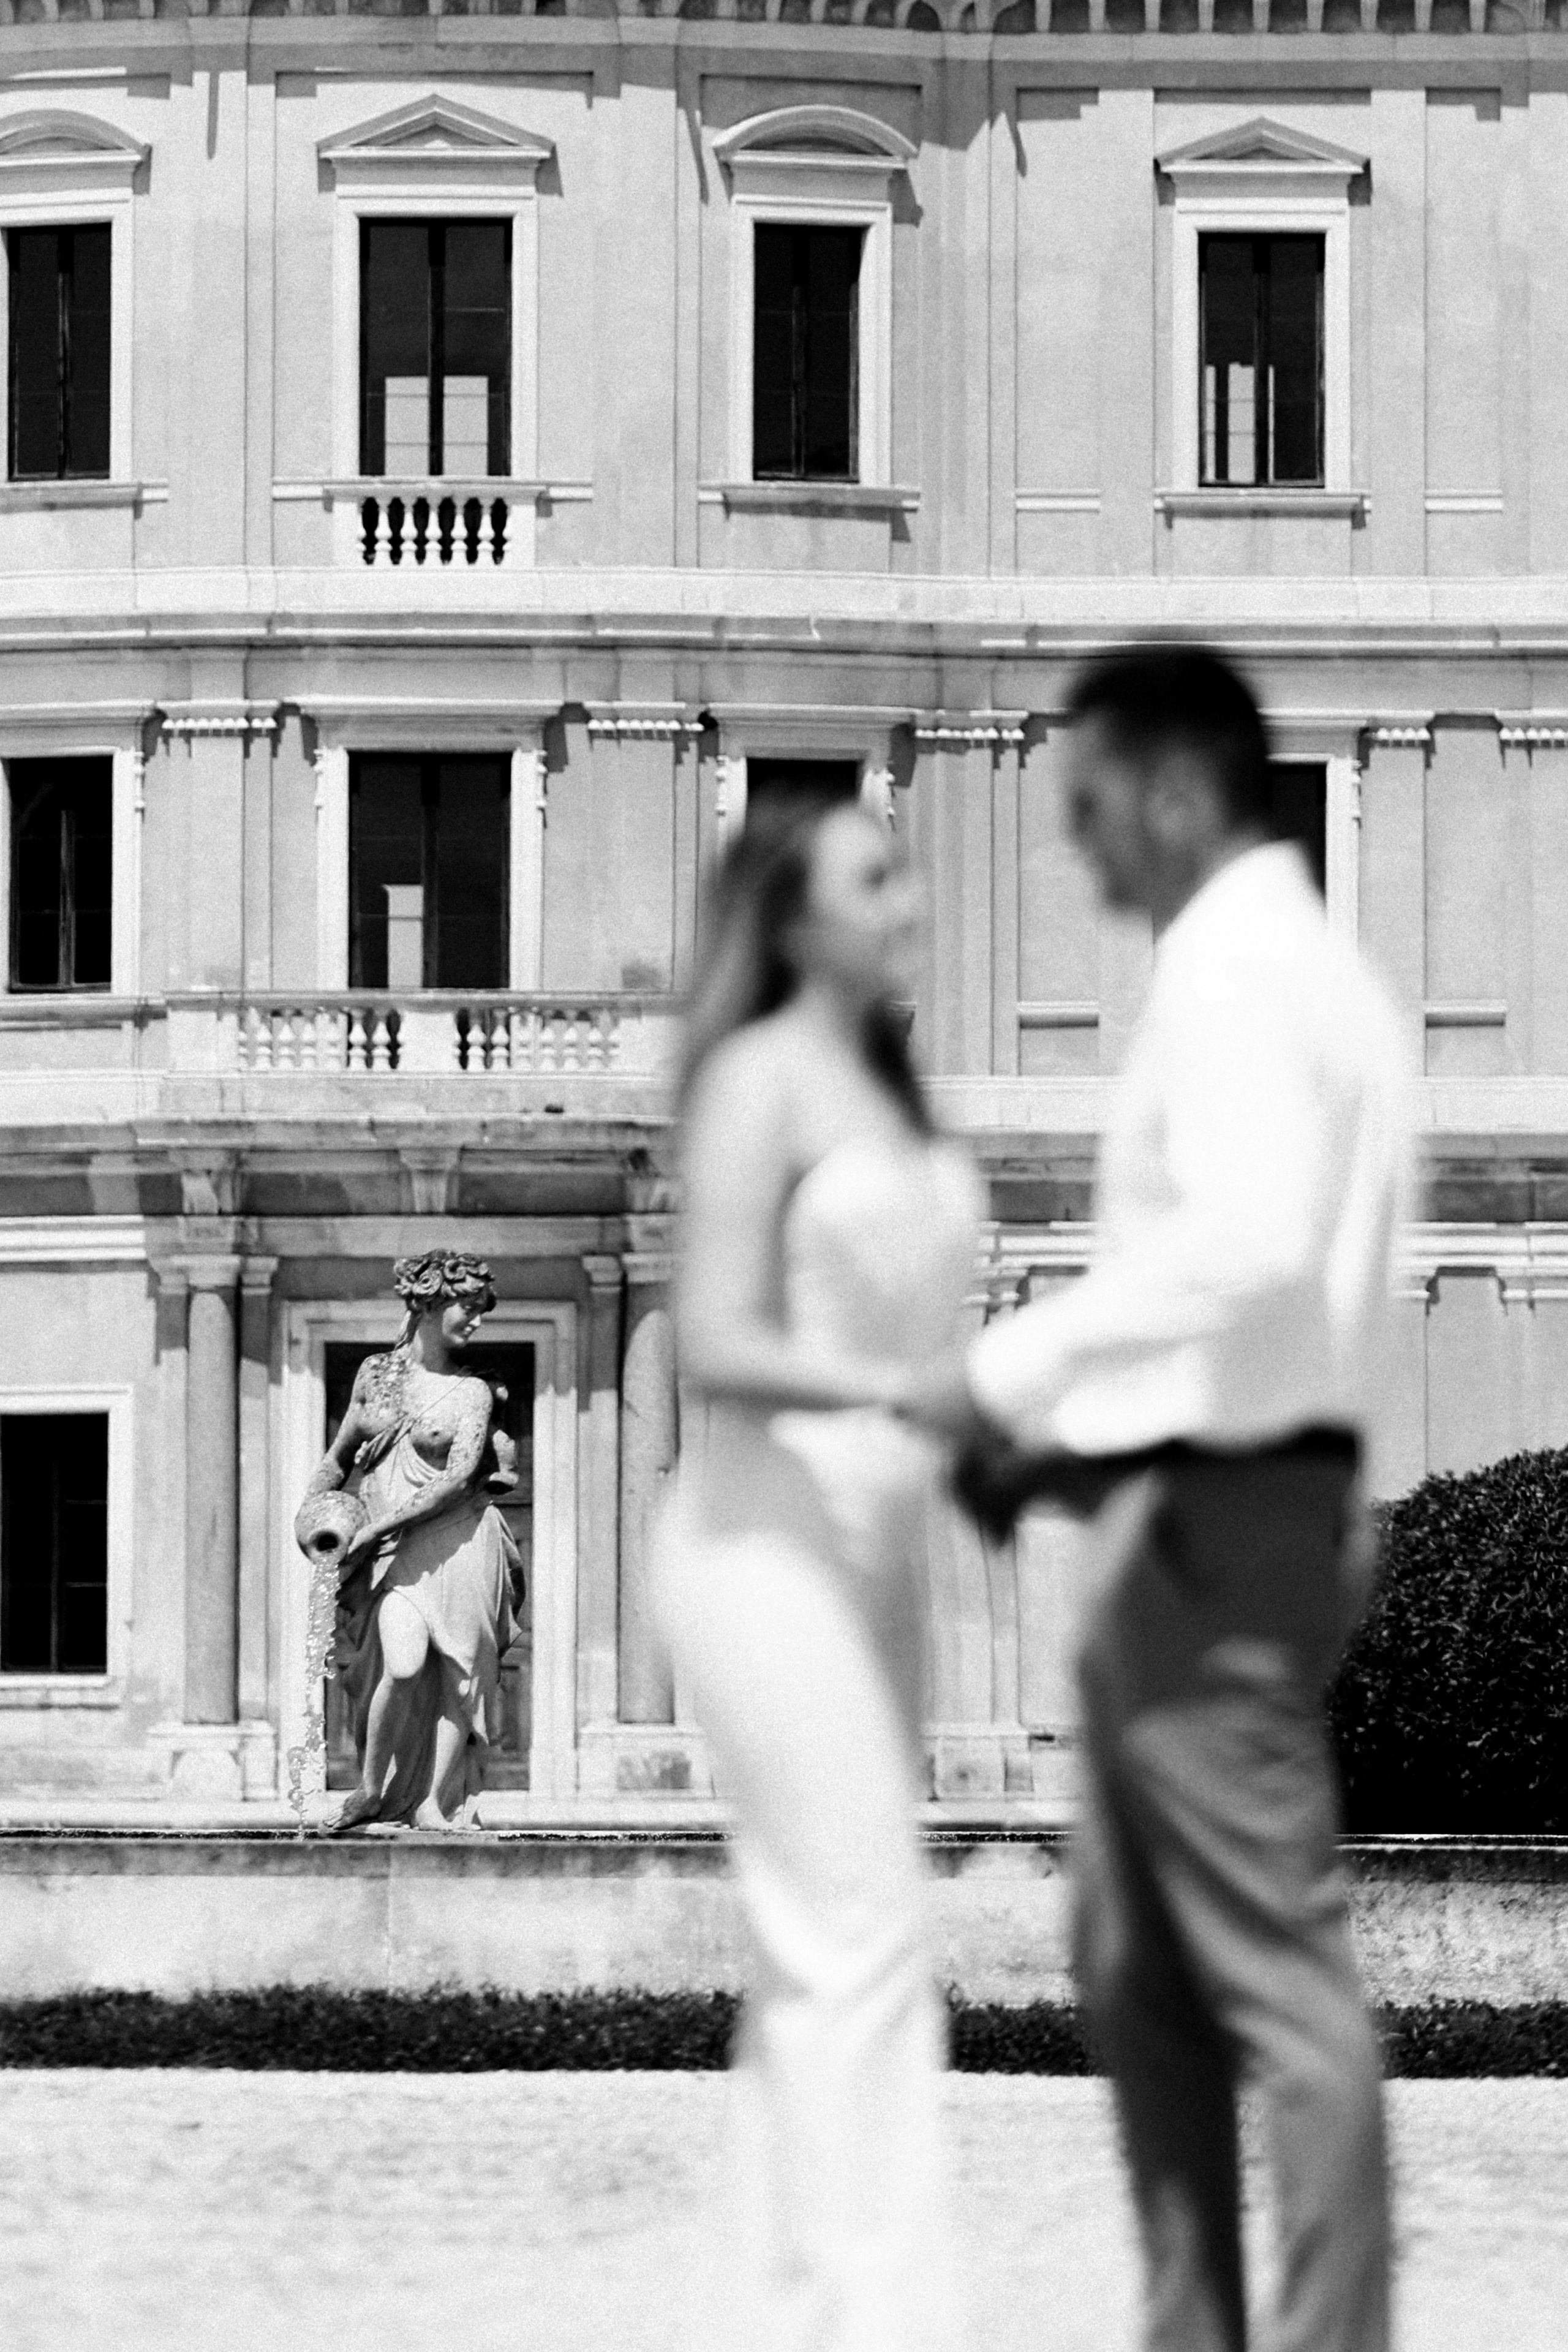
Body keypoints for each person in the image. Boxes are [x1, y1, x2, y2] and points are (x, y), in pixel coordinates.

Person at [909, 643, 1409, 2352]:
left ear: (1180, 790)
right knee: (1139, 1975)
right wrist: (1067, 1461)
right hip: (1223, 1504)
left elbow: (1253, 1244)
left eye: (1094, 808)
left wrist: (1006, 1372)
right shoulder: (1310, 971)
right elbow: (1266, 1327)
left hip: (1222, 1534)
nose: (1081, 850)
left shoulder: (1238, 970)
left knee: (1272, 1984)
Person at [654, 788, 982, 2352]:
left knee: (824, 1953)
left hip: (877, 1544)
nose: (906, 895)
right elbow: (713, 1336)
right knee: (861, 1937)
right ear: (790, 918)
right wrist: (898, 1398)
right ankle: (880, 2320)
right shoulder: (755, 1079)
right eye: (873, 876)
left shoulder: (887, 1087)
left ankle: (780, 2312)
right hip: (757, 1535)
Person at [302, 1249, 524, 1833]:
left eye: (481, 1310)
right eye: (467, 1307)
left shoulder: (473, 1393)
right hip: (398, 1560)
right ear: (429, 1303)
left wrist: (373, 1529)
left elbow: (454, 1482)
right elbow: (337, 1460)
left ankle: (434, 1802)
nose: (476, 1321)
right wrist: (313, 1514)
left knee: (461, 1678)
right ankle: (371, 1790)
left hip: (462, 1542)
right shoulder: (378, 1377)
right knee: (401, 1667)